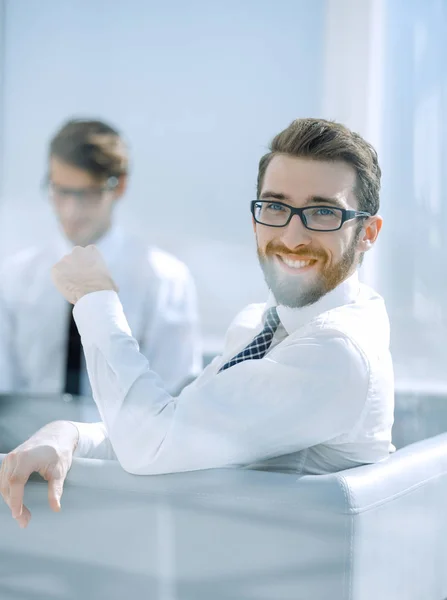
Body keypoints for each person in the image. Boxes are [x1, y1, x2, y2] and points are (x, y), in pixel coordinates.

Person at [0, 118, 394, 529]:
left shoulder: (336, 353)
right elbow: (173, 424)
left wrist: (94, 299)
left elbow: (152, 442)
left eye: (323, 212)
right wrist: (71, 435)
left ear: (368, 232)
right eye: (276, 206)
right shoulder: (262, 326)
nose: (293, 236)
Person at [0, 119, 202, 419]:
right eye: (60, 191)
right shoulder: (13, 277)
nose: (71, 210)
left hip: (121, 461)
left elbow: (172, 400)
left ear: (118, 186)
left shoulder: (165, 280)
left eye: (87, 194)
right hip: (22, 452)